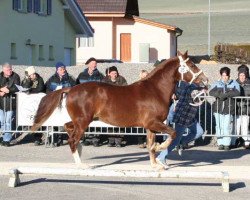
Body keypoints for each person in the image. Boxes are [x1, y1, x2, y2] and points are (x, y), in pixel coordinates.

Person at [154, 81, 205, 169]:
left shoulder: (191, 87)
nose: (200, 83)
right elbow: (196, 97)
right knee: (175, 141)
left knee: (199, 131)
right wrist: (203, 89)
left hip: (190, 117)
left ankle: (180, 143)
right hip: (183, 117)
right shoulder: (192, 88)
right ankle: (161, 157)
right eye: (199, 81)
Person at [210, 67, 240, 150]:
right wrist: (219, 94)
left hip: (229, 108)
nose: (225, 77)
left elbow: (237, 92)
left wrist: (226, 94)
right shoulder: (216, 83)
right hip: (218, 108)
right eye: (223, 75)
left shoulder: (234, 83)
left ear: (229, 75)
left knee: (226, 126)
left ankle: (227, 143)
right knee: (218, 126)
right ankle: (220, 143)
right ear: (221, 75)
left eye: (226, 75)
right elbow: (211, 92)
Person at [45, 62, 76, 146]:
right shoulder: (51, 79)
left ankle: (61, 137)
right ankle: (54, 137)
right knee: (55, 120)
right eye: (61, 69)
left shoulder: (70, 78)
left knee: (64, 120)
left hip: (66, 103)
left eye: (64, 69)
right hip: (55, 102)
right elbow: (47, 90)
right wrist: (53, 93)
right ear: (57, 70)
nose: (63, 70)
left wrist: (67, 91)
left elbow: (75, 89)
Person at [77, 57, 104, 147]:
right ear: (88, 64)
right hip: (84, 102)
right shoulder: (81, 75)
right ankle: (84, 138)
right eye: (92, 63)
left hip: (96, 102)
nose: (94, 65)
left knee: (95, 120)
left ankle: (95, 138)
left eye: (95, 64)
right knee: (85, 119)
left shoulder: (100, 76)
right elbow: (76, 87)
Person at [102, 66, 127, 147]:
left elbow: (126, 88)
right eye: (113, 73)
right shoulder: (105, 80)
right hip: (109, 105)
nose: (114, 75)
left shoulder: (121, 79)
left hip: (120, 104)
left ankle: (119, 140)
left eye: (115, 73)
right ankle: (111, 140)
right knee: (110, 122)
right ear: (109, 74)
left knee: (120, 121)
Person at [21, 66, 45, 146]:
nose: (33, 76)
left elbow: (40, 89)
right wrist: (28, 80)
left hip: (38, 103)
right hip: (29, 104)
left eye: (33, 74)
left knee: (38, 120)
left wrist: (30, 91)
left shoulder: (39, 79)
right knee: (30, 120)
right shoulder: (26, 79)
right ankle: (33, 136)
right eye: (31, 75)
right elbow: (24, 88)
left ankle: (38, 138)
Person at [0, 63, 20, 147]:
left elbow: (17, 87)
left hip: (11, 103)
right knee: (2, 121)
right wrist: (1, 89)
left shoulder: (16, 76)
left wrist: (8, 90)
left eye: (11, 69)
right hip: (1, 103)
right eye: (8, 69)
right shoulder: (0, 76)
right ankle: (4, 136)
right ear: (3, 70)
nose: (10, 71)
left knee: (8, 121)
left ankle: (6, 140)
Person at [235, 65, 250, 149]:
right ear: (238, 75)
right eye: (240, 75)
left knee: (245, 126)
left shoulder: (249, 84)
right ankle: (235, 141)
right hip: (236, 109)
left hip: (246, 109)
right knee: (236, 127)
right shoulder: (234, 83)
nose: (242, 77)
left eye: (243, 75)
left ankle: (246, 142)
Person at [137, 70, 149, 148]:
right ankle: (141, 141)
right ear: (141, 76)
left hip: (148, 106)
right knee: (141, 125)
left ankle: (148, 141)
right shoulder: (138, 84)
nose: (145, 77)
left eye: (146, 75)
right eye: (144, 76)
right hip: (140, 106)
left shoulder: (150, 84)